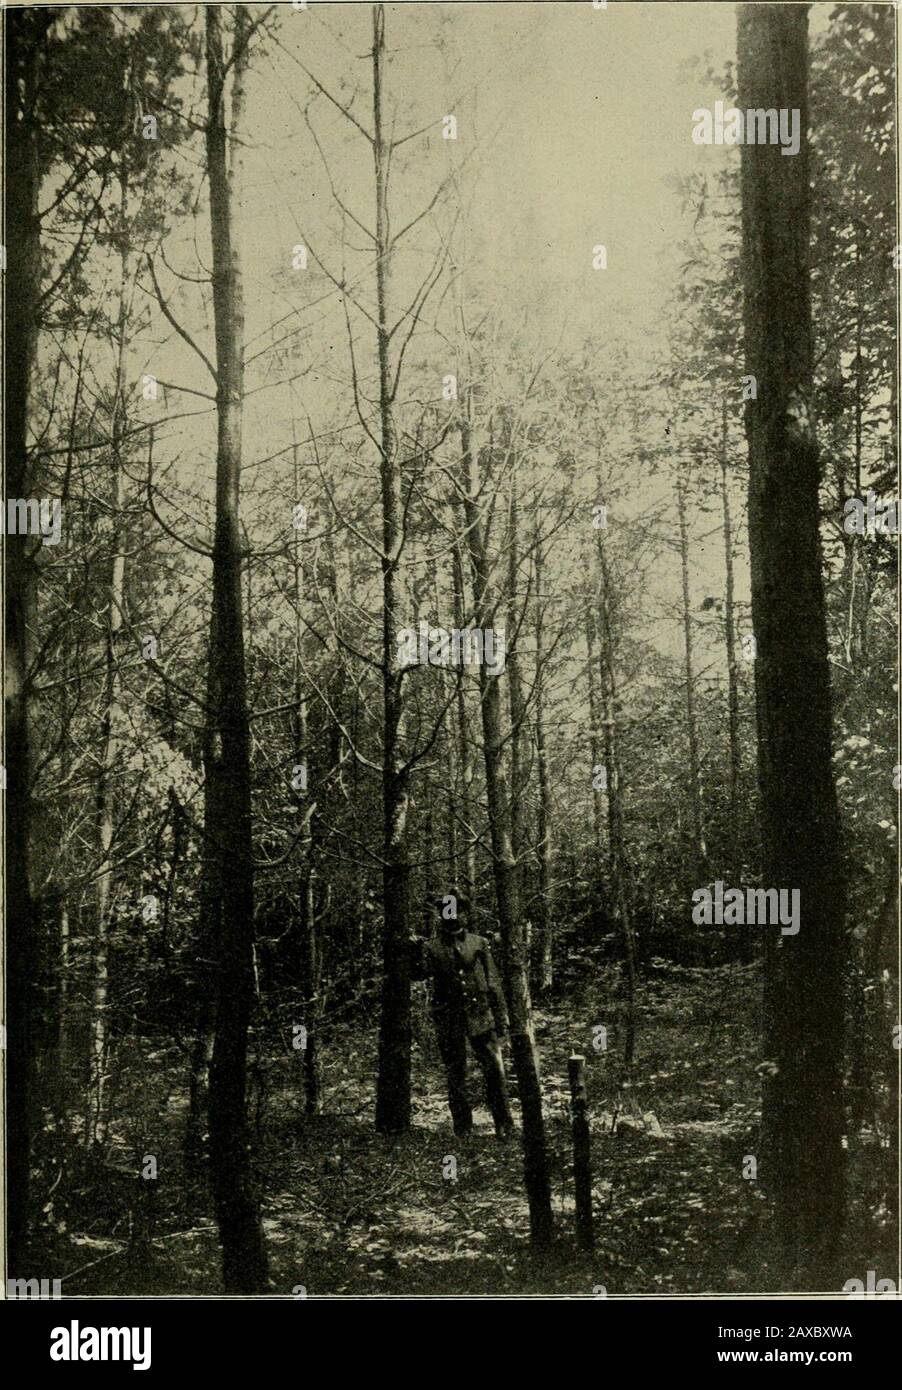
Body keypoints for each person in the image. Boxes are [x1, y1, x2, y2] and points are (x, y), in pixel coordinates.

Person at [419, 890, 515, 1138]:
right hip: (449, 1019)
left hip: (481, 1017)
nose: (453, 914)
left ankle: (504, 1124)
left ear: (465, 913)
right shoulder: (430, 947)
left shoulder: (479, 943)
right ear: (441, 914)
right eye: (447, 909)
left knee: (494, 1070)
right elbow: (420, 974)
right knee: (456, 1074)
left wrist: (501, 1017)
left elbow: (493, 982)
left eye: (458, 909)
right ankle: (463, 1129)